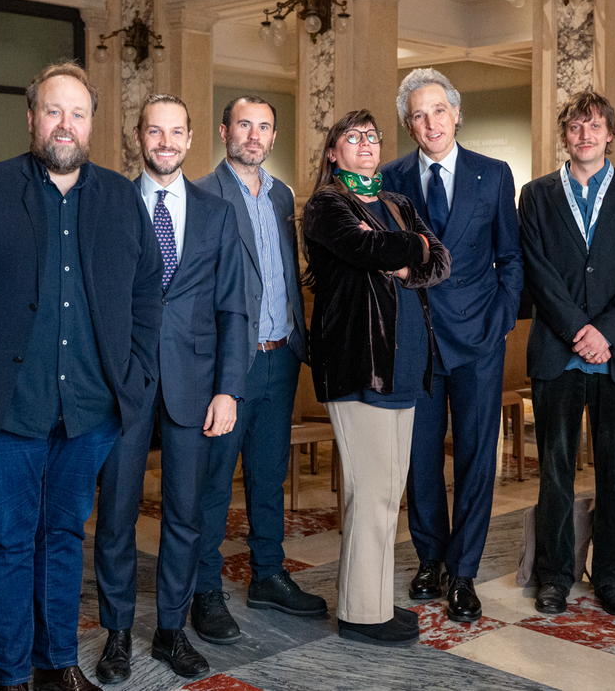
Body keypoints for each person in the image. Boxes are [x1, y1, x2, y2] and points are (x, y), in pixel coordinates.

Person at [0, 61, 162, 691]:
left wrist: (136, 375)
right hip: (4, 409)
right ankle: (11, 675)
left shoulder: (120, 197)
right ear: (32, 117)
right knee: (6, 542)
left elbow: (147, 292)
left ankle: (57, 661)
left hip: (90, 412)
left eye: (78, 113)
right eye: (54, 111)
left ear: (92, 124)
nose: (66, 124)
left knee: (63, 536)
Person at [93, 93, 247, 683]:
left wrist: (229, 389)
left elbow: (234, 307)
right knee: (116, 515)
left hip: (196, 384)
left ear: (190, 139)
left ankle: (171, 631)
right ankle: (116, 634)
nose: (165, 142)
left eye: (175, 132)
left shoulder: (217, 213)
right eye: (154, 132)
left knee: (186, 514)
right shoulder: (109, 205)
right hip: (122, 384)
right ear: (139, 136)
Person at [302, 109, 450, 645]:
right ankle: (362, 614)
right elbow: (368, 249)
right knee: (372, 492)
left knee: (389, 492)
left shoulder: (396, 203)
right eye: (353, 137)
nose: (365, 143)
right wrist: (410, 247)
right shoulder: (327, 205)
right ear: (333, 152)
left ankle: (374, 600)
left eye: (372, 136)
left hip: (404, 362)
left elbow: (441, 260)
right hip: (358, 362)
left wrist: (406, 252)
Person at [380, 68, 521, 622]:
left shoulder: (494, 174)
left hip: (478, 338)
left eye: (439, 110)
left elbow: (510, 258)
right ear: (409, 124)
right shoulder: (391, 177)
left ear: (457, 114)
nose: (431, 122)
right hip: (416, 342)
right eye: (418, 115)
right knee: (419, 458)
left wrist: (501, 320)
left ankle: (463, 573)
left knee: (475, 458)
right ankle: (430, 560)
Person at [190, 95, 325, 645]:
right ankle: (203, 589)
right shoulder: (202, 194)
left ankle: (268, 574)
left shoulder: (282, 195)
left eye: (264, 127)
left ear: (272, 137)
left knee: (270, 477)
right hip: (230, 364)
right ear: (225, 131)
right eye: (244, 124)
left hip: (280, 354)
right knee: (214, 483)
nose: (254, 135)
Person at [518, 91, 615, 617]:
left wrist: (605, 333)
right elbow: (537, 271)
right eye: (575, 126)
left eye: (594, 126)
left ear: (609, 134)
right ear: (564, 135)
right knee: (555, 471)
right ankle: (555, 575)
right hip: (559, 351)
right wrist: (579, 330)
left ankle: (612, 577)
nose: (585, 135)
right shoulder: (536, 194)